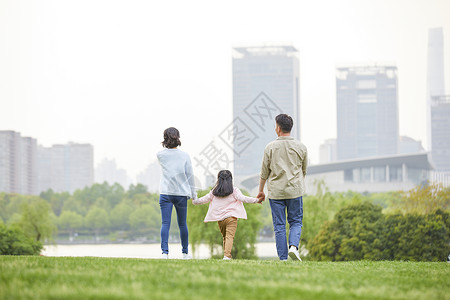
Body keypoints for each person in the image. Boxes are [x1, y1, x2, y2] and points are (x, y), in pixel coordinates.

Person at [257, 114, 308, 261]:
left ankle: (283, 258)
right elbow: (303, 170)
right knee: (296, 222)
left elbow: (264, 172)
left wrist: (261, 191)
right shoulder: (301, 147)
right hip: (294, 190)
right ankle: (293, 247)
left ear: (278, 128)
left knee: (279, 225)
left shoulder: (270, 147)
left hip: (276, 192)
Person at [192, 170, 262, 260]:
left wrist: (194, 200)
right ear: (231, 179)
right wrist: (256, 200)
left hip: (220, 219)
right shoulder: (234, 190)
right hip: (231, 218)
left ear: (218, 179)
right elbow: (243, 198)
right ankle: (226, 256)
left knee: (225, 237)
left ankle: (227, 255)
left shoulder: (214, 191)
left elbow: (203, 200)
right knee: (229, 236)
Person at [157, 127, 197, 259]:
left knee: (165, 223)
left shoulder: (160, 155)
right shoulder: (185, 156)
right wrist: (194, 194)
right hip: (181, 194)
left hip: (166, 193)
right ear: (178, 137)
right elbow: (189, 175)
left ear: (165, 138)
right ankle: (185, 253)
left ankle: (164, 253)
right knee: (182, 224)